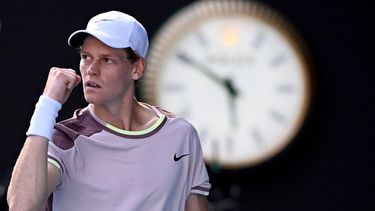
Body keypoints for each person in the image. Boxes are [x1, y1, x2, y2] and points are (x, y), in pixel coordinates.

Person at [7, 11, 211, 211]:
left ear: (137, 69)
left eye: (107, 60)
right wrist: (47, 105)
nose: (91, 69)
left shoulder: (181, 134)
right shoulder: (64, 140)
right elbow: (21, 206)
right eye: (86, 57)